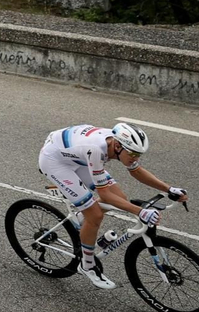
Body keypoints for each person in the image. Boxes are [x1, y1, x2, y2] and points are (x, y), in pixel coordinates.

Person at [38, 122, 185, 289]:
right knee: (95, 215)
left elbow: (136, 170)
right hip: (55, 161)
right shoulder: (96, 150)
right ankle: (87, 266)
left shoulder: (119, 143)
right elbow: (104, 195)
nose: (135, 159)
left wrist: (169, 188)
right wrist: (141, 212)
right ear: (117, 146)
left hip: (76, 156)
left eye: (139, 154)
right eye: (133, 154)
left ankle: (81, 218)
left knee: (120, 197)